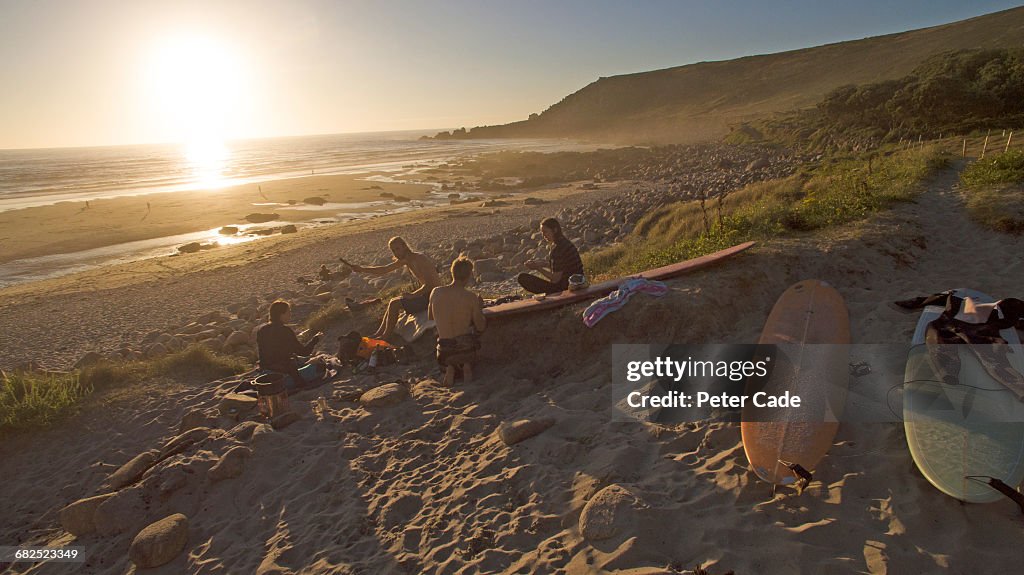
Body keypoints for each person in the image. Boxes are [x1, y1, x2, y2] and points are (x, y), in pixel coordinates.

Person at [342, 236, 442, 339]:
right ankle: (378, 334)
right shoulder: (406, 260)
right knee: (393, 301)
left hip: (433, 297)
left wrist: (413, 295)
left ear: (405, 246)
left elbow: (430, 284)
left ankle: (385, 336)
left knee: (395, 304)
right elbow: (384, 270)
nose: (395, 253)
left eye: (397, 249)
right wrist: (362, 269)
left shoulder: (419, 259)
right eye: (393, 250)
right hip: (427, 295)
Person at [429, 256, 486, 386]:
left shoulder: (436, 292)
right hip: (465, 350)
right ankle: (466, 366)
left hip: (444, 351)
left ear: (452, 272)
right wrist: (479, 309)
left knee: (447, 346)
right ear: (469, 275)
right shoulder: (471, 297)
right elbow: (481, 326)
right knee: (471, 337)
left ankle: (450, 367)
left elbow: (431, 317)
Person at [256, 300, 324, 390]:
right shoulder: (285, 331)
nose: (290, 315)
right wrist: (316, 339)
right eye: (288, 312)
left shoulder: (262, 330)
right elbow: (304, 352)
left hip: (265, 374)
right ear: (281, 314)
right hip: (282, 377)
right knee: (320, 367)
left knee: (299, 360)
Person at [517, 217, 584, 294]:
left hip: (566, 288)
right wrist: (543, 264)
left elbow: (555, 279)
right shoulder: (565, 243)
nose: (543, 235)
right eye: (542, 233)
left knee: (522, 278)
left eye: (545, 232)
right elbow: (562, 266)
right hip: (579, 282)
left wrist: (538, 268)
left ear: (554, 230)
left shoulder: (557, 249)